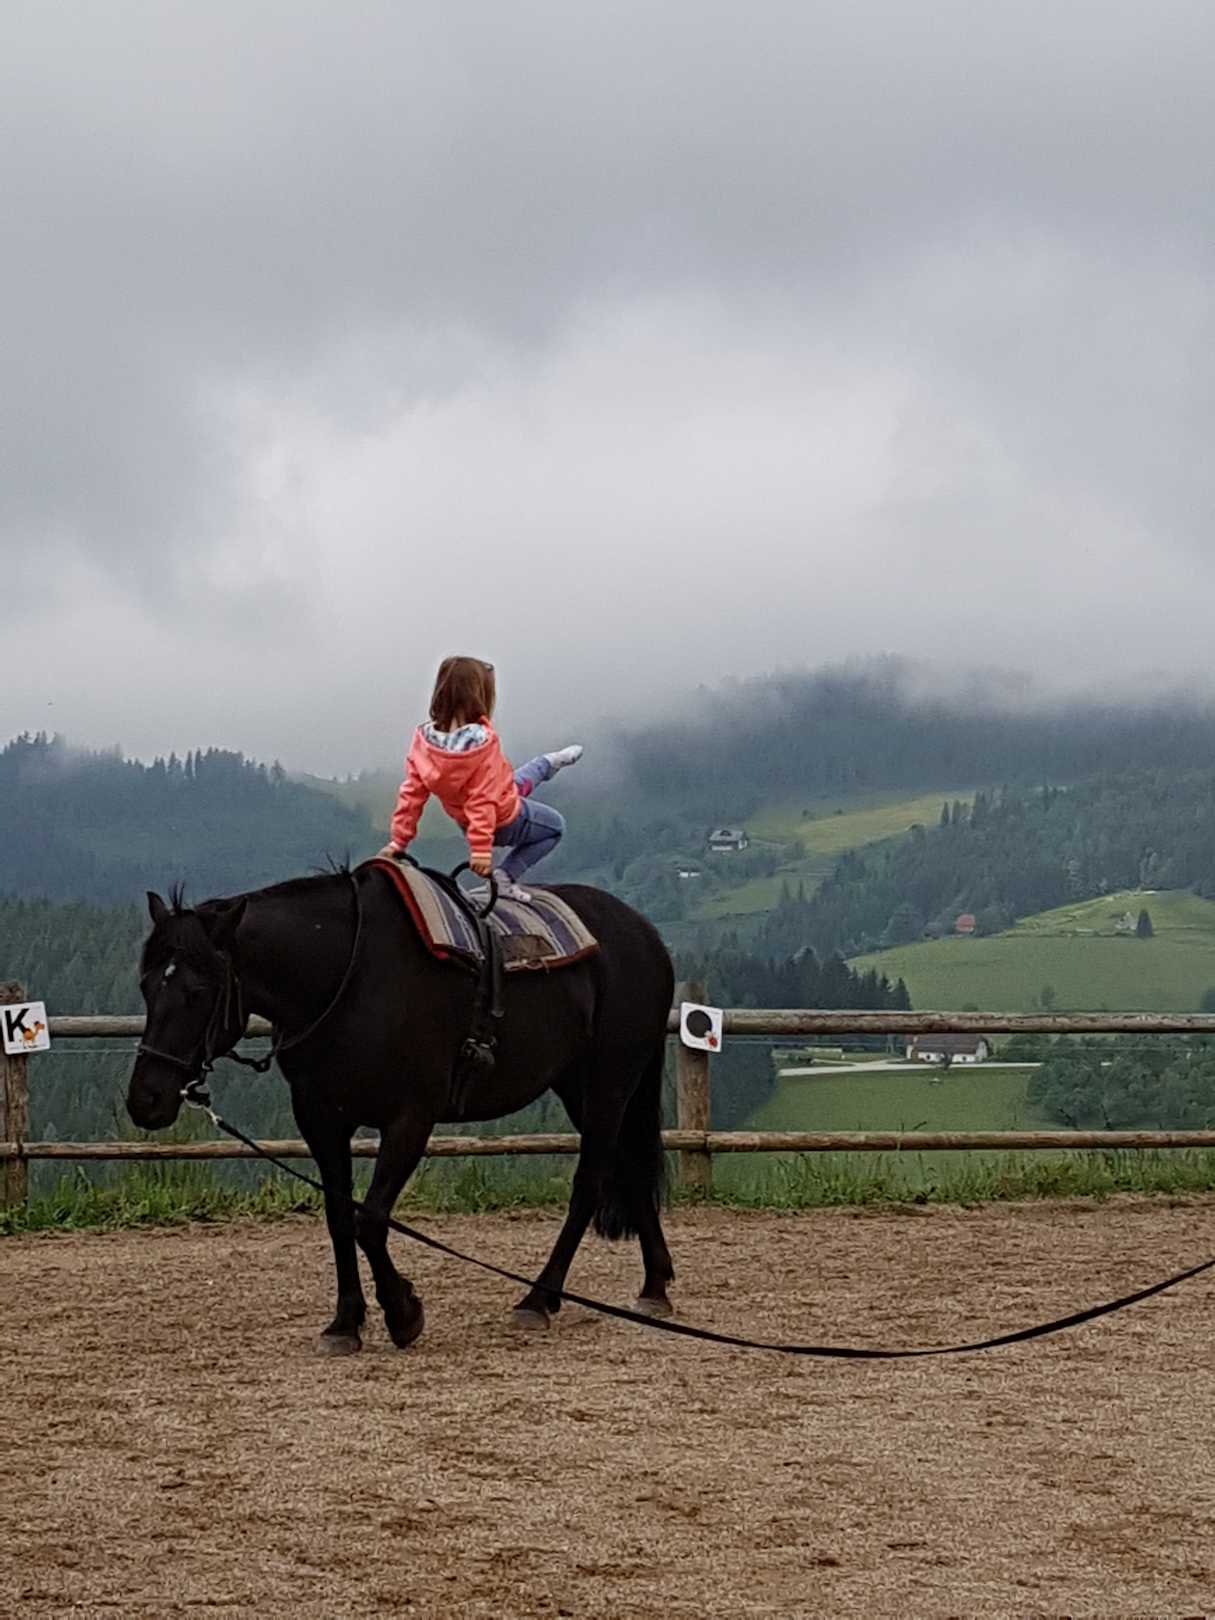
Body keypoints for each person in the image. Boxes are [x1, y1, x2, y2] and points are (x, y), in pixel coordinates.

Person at [377, 656, 582, 901]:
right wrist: (481, 850)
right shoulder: (482, 743)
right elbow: (482, 799)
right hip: (502, 819)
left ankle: (548, 763)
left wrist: (398, 842)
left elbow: (411, 795)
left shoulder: (424, 741)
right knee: (555, 827)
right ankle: (506, 877)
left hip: (472, 816)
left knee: (515, 781)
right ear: (480, 695)